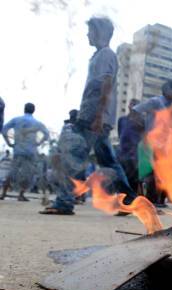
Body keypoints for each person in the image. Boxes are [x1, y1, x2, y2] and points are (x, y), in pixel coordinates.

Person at [42, 17, 136, 215]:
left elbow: (106, 84)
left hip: (95, 118)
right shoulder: (99, 56)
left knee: (72, 157)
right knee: (109, 161)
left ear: (100, 32)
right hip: (94, 116)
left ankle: (65, 202)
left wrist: (98, 116)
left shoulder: (105, 55)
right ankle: (129, 201)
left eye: (90, 30)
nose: (87, 34)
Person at [133, 80, 172, 207]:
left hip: (165, 146)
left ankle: (154, 202)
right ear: (166, 90)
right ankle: (147, 202)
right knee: (149, 173)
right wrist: (143, 129)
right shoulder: (156, 102)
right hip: (151, 143)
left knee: (160, 174)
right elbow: (135, 111)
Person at [1, 103, 50, 201]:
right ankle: (21, 194)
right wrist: (38, 143)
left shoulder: (16, 120)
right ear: (34, 111)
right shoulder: (37, 123)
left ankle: (3, 193)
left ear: (24, 109)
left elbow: (4, 130)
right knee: (27, 174)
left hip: (18, 149)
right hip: (30, 151)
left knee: (12, 172)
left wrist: (9, 143)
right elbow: (46, 134)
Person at [117, 98, 141, 192]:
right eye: (132, 104)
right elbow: (120, 134)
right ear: (128, 106)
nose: (134, 106)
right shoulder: (122, 120)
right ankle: (122, 198)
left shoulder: (141, 121)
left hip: (135, 154)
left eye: (136, 104)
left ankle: (132, 200)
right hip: (123, 153)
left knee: (133, 178)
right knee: (122, 176)